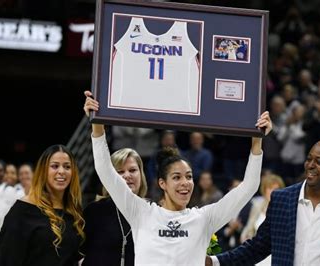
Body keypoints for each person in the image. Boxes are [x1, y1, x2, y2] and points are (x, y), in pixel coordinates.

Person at [84, 90, 271, 265]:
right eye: (177, 177)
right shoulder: (141, 212)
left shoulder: (204, 218)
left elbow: (250, 186)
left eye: (189, 176)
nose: (185, 183)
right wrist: (97, 125)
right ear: (162, 183)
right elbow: (105, 170)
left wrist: (257, 140)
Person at [208, 139, 320, 265]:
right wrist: (216, 262)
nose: (311, 165)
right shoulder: (282, 199)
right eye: (309, 159)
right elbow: (257, 247)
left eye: (319, 162)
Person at [0, 145, 85, 266]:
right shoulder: (22, 210)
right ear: (43, 171)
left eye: (67, 167)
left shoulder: (73, 211)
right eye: (55, 166)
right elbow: (5, 260)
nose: (61, 171)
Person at [81, 147, 148, 266]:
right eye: (120, 172)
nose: (127, 175)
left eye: (132, 170)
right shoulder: (94, 212)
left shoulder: (152, 213)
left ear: (141, 174)